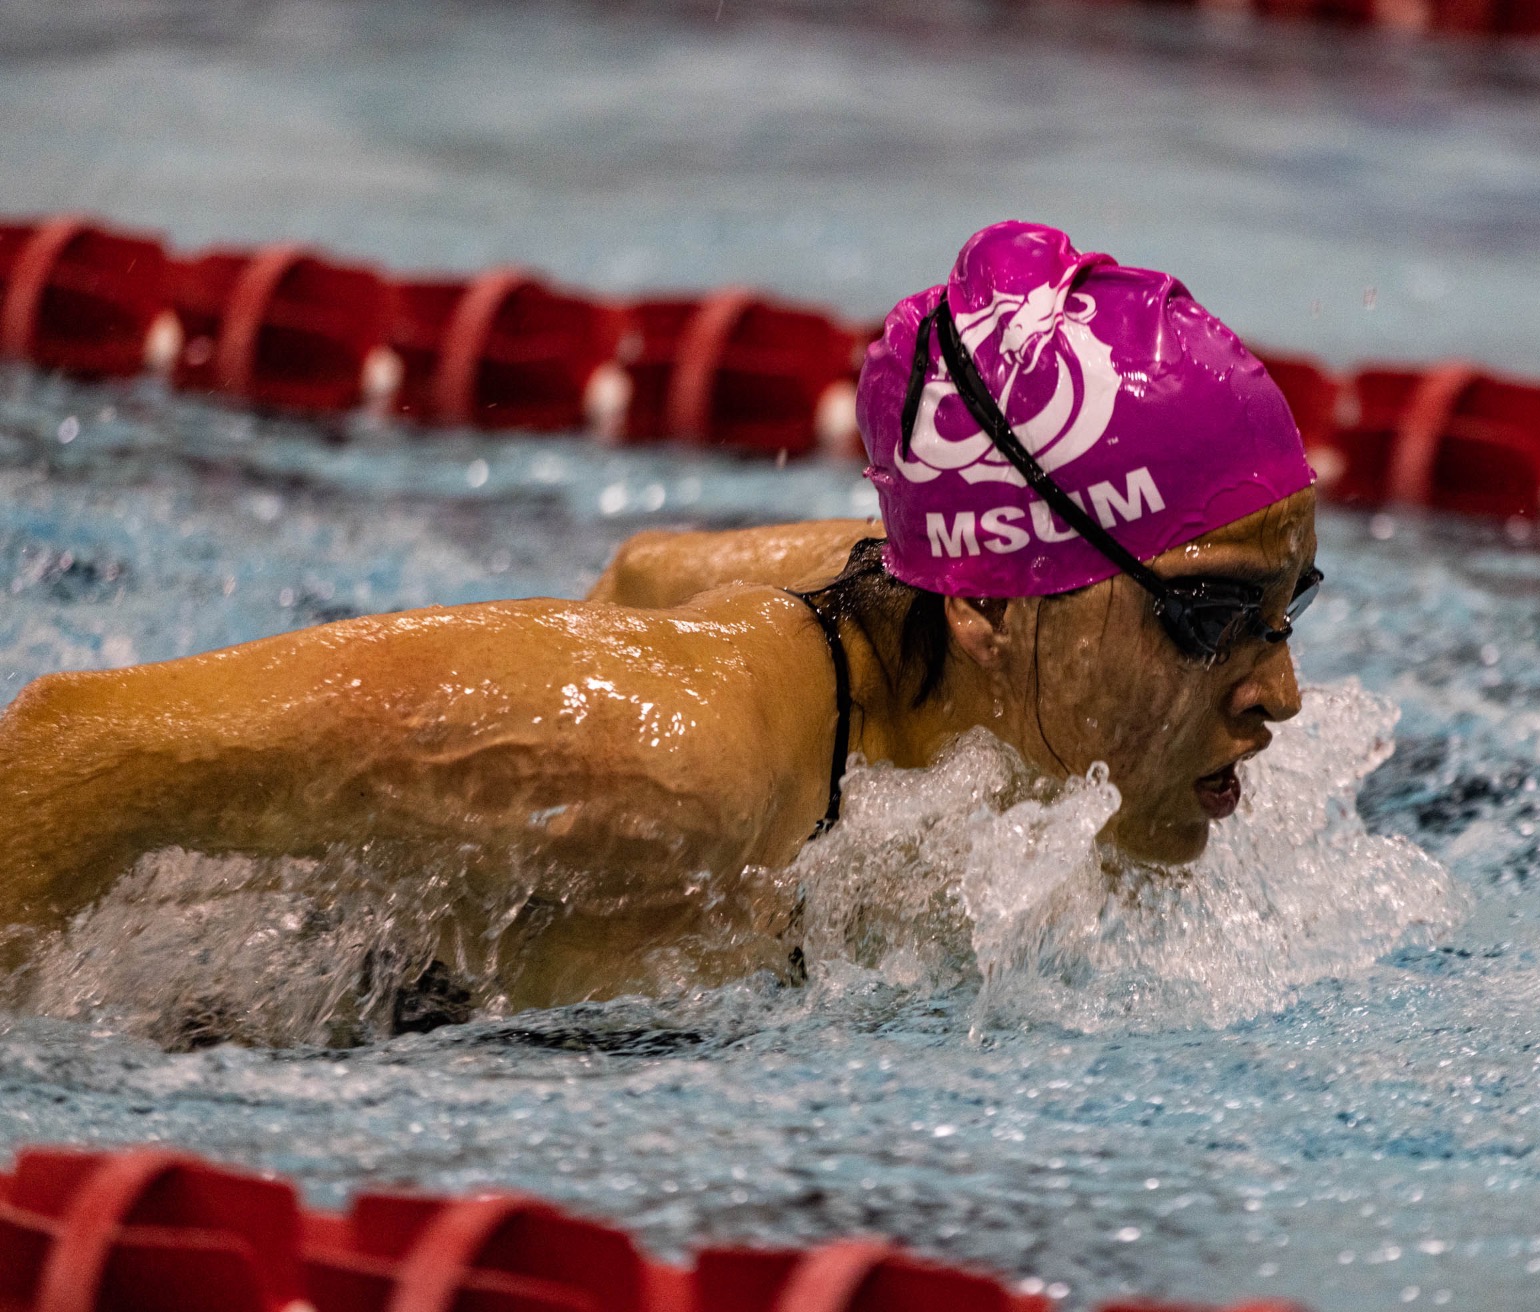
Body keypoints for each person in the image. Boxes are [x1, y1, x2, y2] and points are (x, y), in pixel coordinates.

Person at [0, 221, 1321, 1011]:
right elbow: (73, 745)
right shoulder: (679, 765)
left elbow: (646, 578)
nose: (1284, 694)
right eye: (1212, 615)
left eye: (1287, 610)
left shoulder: (959, 633)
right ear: (985, 604)